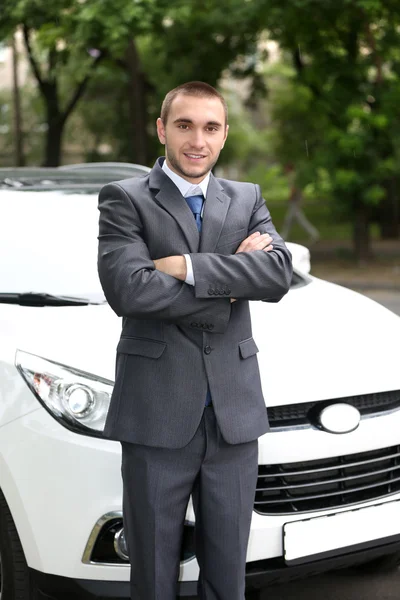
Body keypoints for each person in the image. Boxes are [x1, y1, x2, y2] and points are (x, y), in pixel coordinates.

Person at [97, 81, 292, 600]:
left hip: (233, 418)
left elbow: (276, 277)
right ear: (162, 129)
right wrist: (232, 287)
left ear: (225, 135)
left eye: (210, 127)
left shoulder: (246, 198)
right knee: (155, 575)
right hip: (156, 414)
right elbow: (130, 290)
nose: (196, 140)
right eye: (184, 125)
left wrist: (185, 268)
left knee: (228, 577)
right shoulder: (125, 199)